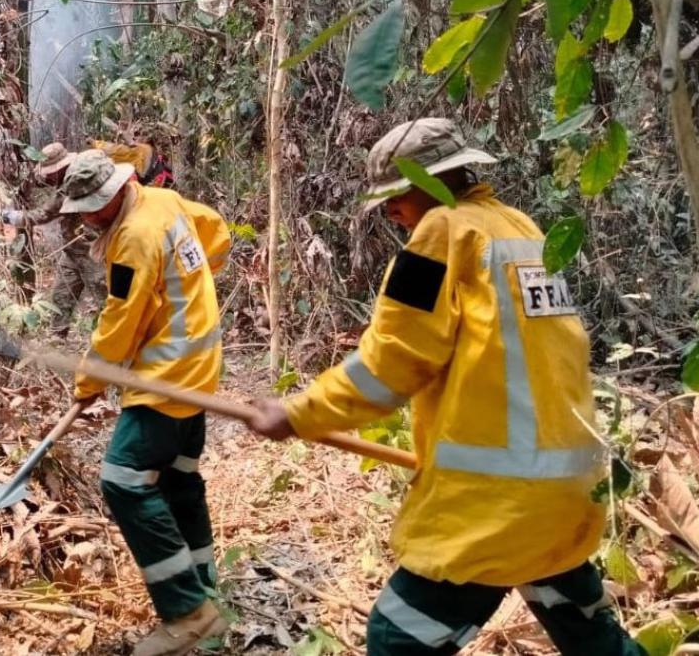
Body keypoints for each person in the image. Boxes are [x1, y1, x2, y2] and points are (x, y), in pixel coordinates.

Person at [245, 118, 644, 656]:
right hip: (568, 493)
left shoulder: (440, 236)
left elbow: (389, 366)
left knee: (396, 638)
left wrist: (297, 413)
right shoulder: (521, 229)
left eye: (395, 196)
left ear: (430, 183)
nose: (390, 211)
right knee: (595, 642)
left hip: (497, 506)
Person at [61, 150, 230, 656]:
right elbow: (216, 232)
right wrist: (192, 286)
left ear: (114, 195)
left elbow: (121, 320)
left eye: (91, 208)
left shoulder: (134, 238)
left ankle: (186, 613)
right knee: (178, 479)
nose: (87, 217)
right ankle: (206, 594)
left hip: (167, 376)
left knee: (123, 480)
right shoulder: (163, 199)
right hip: (201, 367)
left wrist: (88, 382)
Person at [0, 142, 103, 338]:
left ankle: (118, 343)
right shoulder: (64, 181)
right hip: (72, 251)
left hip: (92, 252)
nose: (48, 175)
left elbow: (43, 214)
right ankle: (57, 337)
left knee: (105, 298)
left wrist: (9, 217)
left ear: (62, 168)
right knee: (61, 296)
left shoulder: (72, 185)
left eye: (51, 171)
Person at [90, 138, 176, 189]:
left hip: (153, 184)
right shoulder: (150, 151)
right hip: (162, 185)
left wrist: (95, 143)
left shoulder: (138, 150)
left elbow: (114, 150)